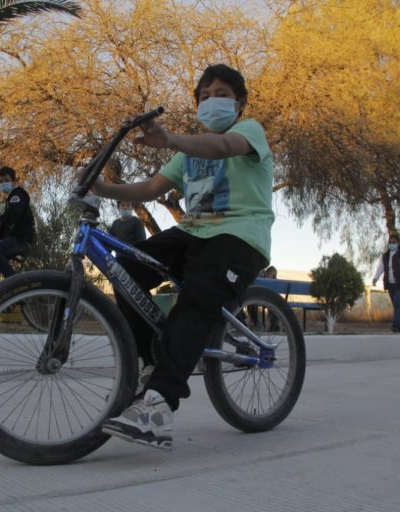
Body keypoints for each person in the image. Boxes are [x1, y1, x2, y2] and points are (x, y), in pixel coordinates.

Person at [89, 64, 274, 450]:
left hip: (239, 236)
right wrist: (100, 186)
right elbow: (152, 187)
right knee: (122, 266)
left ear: (239, 103)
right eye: (204, 96)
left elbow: (223, 147)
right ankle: (152, 362)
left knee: (197, 297)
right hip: (193, 232)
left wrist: (171, 138)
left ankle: (158, 407)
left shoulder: (249, 130)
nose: (212, 101)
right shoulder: (188, 153)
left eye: (221, 94)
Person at [0, 166, 36, 288]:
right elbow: (9, 225)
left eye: (6, 180)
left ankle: (15, 285)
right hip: (17, 238)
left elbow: (12, 214)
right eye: (0, 181)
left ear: (14, 181)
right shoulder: (11, 198)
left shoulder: (17, 195)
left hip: (21, 240)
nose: (3, 183)